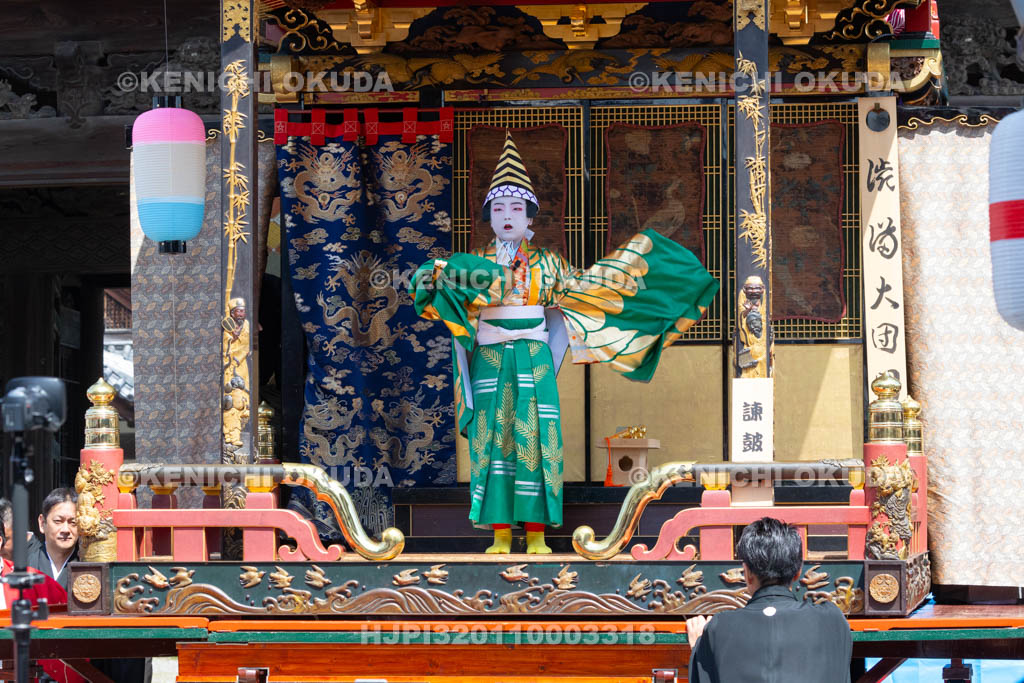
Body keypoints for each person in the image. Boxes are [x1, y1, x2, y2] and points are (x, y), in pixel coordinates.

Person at [412, 130, 718, 553]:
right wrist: (441, 273)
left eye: (515, 207)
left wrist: (638, 274)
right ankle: (501, 533)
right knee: (494, 440)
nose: (506, 215)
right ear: (488, 215)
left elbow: (588, 293)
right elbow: (432, 292)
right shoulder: (473, 263)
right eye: (498, 207)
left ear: (529, 217)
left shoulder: (550, 264)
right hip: (490, 357)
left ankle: (536, 533)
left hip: (534, 356)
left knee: (537, 437)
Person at [686, 517, 853, 683]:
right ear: (798, 571)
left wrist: (699, 650)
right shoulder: (832, 621)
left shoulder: (718, 628)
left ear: (747, 574)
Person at [28, 488, 79, 591]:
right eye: (58, 521)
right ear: (42, 523)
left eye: (73, 522)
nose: (66, 529)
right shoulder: (27, 564)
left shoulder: (87, 565)